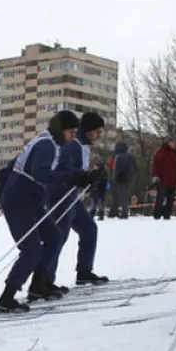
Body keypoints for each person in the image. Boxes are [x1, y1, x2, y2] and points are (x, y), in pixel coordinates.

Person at [0, 110, 79, 308]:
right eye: (71, 132)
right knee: (31, 248)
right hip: (19, 200)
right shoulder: (46, 145)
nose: (73, 136)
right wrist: (71, 178)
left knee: (53, 236)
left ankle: (39, 285)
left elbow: (55, 170)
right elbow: (41, 173)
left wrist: (82, 175)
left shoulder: (52, 142)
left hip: (31, 199)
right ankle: (7, 297)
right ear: (61, 130)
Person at [32, 112, 110, 288]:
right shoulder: (72, 145)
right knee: (58, 237)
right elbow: (63, 168)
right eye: (97, 131)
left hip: (73, 197)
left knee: (89, 229)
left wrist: (92, 176)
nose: (99, 135)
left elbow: (77, 170)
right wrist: (85, 176)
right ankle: (43, 280)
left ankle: (84, 271)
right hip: (61, 196)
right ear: (89, 130)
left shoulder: (83, 145)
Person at [150, 140, 176, 219]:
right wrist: (155, 176)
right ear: (168, 143)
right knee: (161, 198)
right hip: (163, 180)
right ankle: (157, 214)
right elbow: (156, 165)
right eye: (172, 143)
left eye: (175, 143)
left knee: (170, 199)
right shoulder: (161, 152)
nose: (174, 144)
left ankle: (167, 214)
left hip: (173, 180)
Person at [109, 142, 136, 219]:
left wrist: (113, 177)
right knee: (123, 196)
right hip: (126, 179)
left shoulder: (116, 156)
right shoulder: (130, 156)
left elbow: (112, 168)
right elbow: (134, 168)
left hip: (116, 178)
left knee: (115, 196)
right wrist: (129, 177)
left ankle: (115, 212)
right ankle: (122, 212)